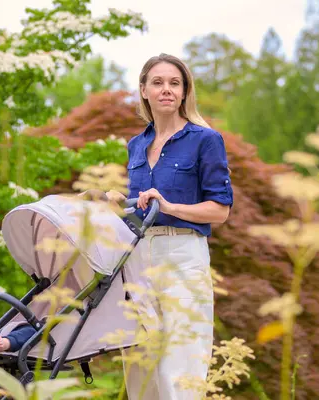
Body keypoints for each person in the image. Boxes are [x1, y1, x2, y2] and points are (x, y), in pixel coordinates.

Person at [106, 53, 233, 400]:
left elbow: (219, 210)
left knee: (181, 367)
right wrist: (117, 206)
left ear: (184, 92)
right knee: (140, 368)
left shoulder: (205, 140)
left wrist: (170, 205)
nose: (167, 90)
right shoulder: (135, 146)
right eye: (158, 83)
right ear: (144, 90)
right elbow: (140, 211)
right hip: (137, 260)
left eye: (175, 83)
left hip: (182, 255)